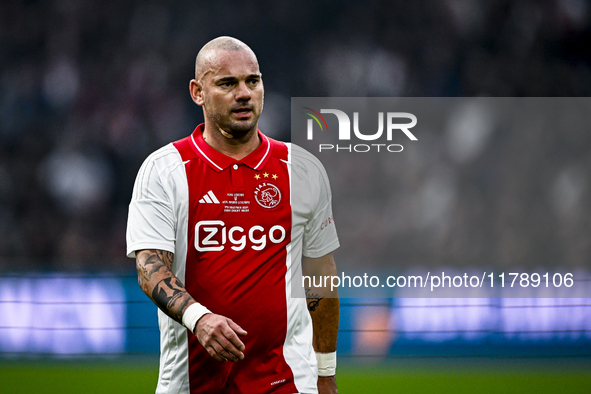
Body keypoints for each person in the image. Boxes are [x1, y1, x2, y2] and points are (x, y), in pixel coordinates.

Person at [126, 36, 340, 394]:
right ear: (197, 92)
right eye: (227, 83)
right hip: (190, 382)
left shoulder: (301, 169)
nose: (244, 93)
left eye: (252, 81)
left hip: (287, 381)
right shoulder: (164, 170)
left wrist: (326, 371)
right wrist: (200, 319)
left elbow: (321, 274)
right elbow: (150, 267)